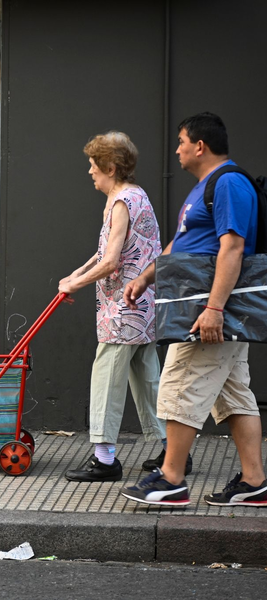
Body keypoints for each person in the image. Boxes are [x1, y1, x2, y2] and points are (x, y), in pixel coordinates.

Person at [121, 113, 267, 507]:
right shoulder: (206, 187)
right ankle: (254, 482)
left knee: (180, 384)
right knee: (233, 396)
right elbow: (182, 243)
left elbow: (233, 247)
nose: (177, 150)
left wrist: (214, 308)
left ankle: (171, 479)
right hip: (208, 308)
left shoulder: (229, 183)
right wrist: (146, 277)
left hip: (211, 311)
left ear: (200, 146)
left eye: (182, 142)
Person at [59, 132, 168, 482]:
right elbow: (104, 252)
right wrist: (76, 274)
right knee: (147, 379)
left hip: (123, 309)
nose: (90, 171)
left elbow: (110, 261)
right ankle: (173, 451)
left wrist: (75, 284)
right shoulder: (134, 195)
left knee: (107, 377)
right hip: (143, 306)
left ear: (110, 167)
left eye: (94, 165)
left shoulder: (121, 202)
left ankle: (105, 460)